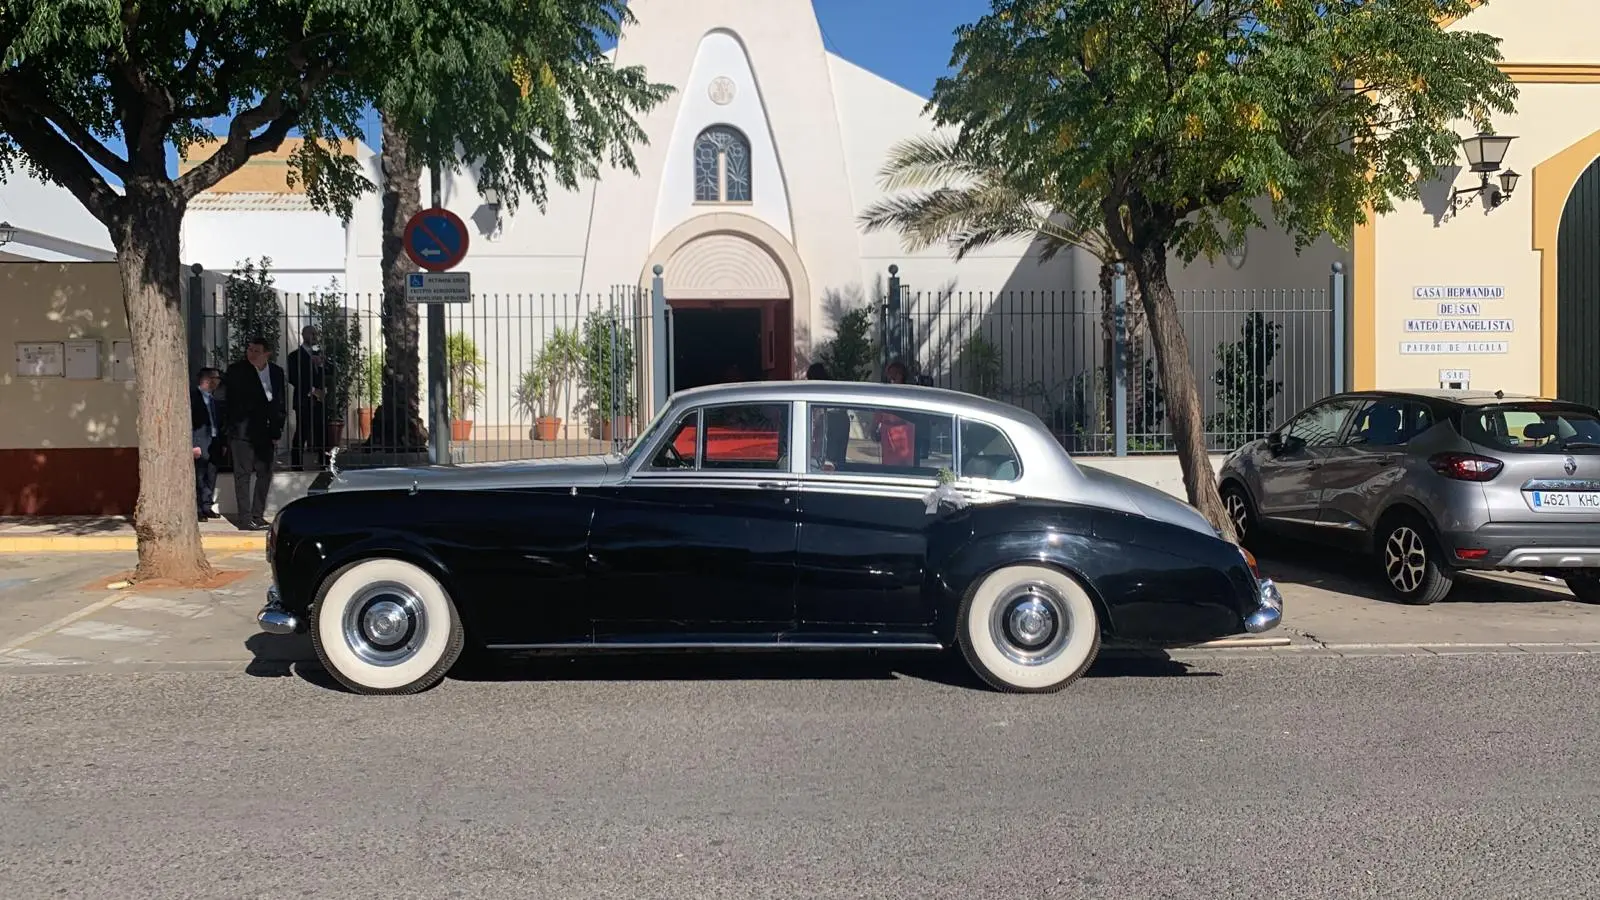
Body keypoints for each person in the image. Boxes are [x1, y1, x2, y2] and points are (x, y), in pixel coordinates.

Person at [222, 336, 286, 530]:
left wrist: (277, 430)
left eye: (256, 350)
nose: (251, 354)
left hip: (266, 432)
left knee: (265, 473)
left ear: (267, 353)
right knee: (242, 475)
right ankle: (245, 518)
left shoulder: (276, 372)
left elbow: (279, 402)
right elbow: (227, 400)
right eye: (249, 349)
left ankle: (257, 515)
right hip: (242, 431)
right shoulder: (237, 371)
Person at [285, 324, 327, 471]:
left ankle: (325, 463)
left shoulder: (319, 353)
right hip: (303, 399)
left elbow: (329, 374)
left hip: (319, 400)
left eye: (316, 334)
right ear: (304, 335)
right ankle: (297, 464)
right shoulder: (294, 356)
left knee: (321, 431)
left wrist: (321, 365)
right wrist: (312, 389)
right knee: (302, 432)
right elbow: (293, 378)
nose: (315, 337)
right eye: (312, 334)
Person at [190, 367, 224, 521]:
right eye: (216, 378)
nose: (218, 382)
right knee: (199, 476)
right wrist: (192, 444)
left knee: (211, 475)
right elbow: (190, 423)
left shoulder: (213, 400)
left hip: (214, 442)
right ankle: (197, 509)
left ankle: (207, 506)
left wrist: (222, 443)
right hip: (200, 443)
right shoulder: (192, 398)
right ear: (207, 380)